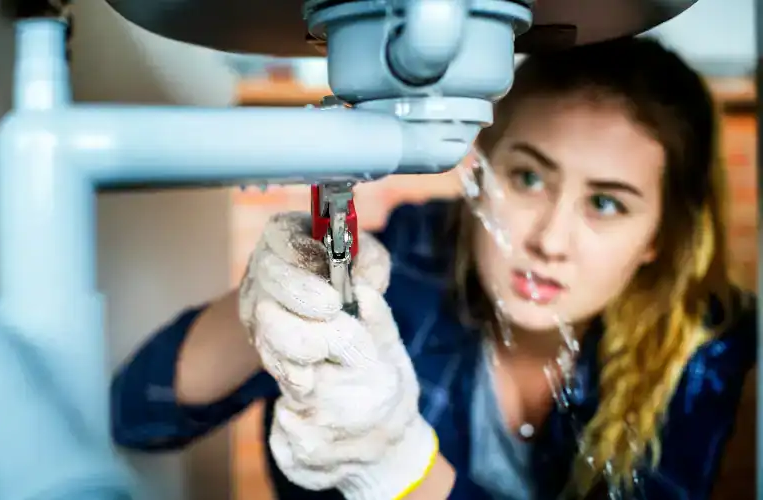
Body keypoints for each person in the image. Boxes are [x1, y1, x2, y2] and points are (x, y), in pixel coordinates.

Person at [110, 36, 757, 500]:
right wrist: (261, 306)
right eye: (528, 176)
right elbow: (137, 414)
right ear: (482, 166)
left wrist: (401, 469)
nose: (549, 239)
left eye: (607, 203)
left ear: (658, 237)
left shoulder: (699, 342)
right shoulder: (416, 258)